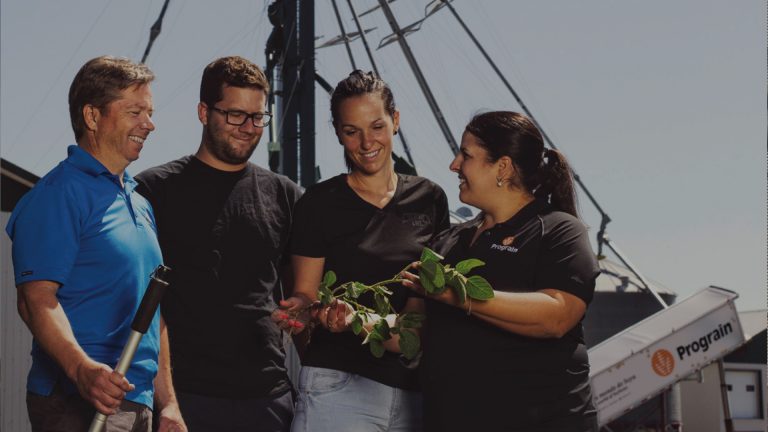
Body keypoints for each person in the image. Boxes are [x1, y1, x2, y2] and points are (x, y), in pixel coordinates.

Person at [5, 56, 185, 432]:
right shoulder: (58, 194)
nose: (149, 124)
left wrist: (168, 403)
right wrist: (81, 370)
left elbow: (151, 309)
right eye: (135, 112)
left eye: (150, 113)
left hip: (136, 399)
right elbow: (35, 300)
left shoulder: (139, 202)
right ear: (92, 116)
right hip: (78, 399)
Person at [273, 70, 450, 432]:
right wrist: (303, 311)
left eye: (377, 126)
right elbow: (306, 294)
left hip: (414, 391)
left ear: (395, 120)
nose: (367, 142)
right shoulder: (318, 204)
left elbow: (427, 305)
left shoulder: (430, 198)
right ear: (338, 133)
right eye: (352, 131)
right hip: (339, 386)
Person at [401, 111, 599, 432]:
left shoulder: (559, 230)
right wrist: (354, 322)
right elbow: (411, 332)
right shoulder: (446, 241)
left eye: (466, 155)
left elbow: (558, 316)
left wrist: (456, 295)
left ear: (503, 167)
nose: (454, 165)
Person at [135, 56, 301, 432]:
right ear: (203, 112)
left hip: (268, 399)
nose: (248, 128)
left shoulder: (286, 195)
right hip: (184, 401)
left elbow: (302, 298)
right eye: (235, 115)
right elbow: (140, 303)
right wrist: (166, 403)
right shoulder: (154, 191)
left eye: (257, 117)